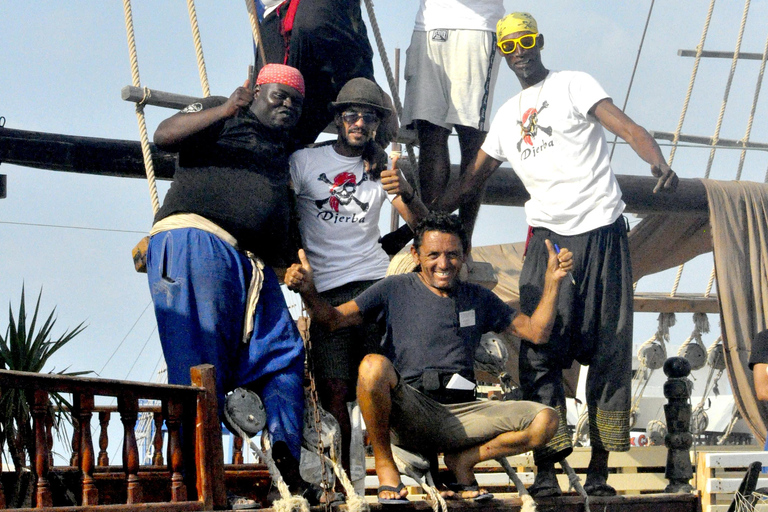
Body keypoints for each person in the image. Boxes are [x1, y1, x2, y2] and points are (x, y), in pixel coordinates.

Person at [444, 12, 679, 497]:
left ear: (540, 42)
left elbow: (629, 128)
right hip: (548, 242)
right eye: (511, 45)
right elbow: (471, 181)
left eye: (527, 41)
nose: (521, 51)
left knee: (611, 352)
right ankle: (549, 469)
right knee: (539, 350)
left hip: (603, 236)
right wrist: (427, 212)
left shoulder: (574, 84)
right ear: (503, 54)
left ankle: (599, 472)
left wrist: (657, 161)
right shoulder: (507, 116)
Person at [285, 212, 573, 502]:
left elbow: (536, 332)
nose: (443, 264)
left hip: (461, 415)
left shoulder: (479, 297)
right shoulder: (393, 289)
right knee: (372, 366)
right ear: (416, 254)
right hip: (410, 409)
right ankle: (385, 466)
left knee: (546, 421)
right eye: (433, 254)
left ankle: (464, 461)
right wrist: (309, 291)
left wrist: (552, 281)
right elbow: (332, 320)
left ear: (464, 254)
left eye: (452, 255)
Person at [147, 64, 322, 505]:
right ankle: (196, 481)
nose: (287, 104)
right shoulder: (221, 115)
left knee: (284, 353)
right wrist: (226, 107)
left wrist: (289, 266)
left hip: (251, 264)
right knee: (200, 364)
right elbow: (164, 136)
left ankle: (284, 454)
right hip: (197, 242)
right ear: (255, 93)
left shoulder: (284, 153)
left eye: (295, 102)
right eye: (278, 95)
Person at [289, 77, 427, 474]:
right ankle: (340, 480)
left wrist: (405, 192)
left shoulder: (386, 166)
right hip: (325, 288)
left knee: (379, 380)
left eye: (369, 117)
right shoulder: (304, 161)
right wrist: (293, 266)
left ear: (377, 125)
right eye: (352, 114)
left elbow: (422, 227)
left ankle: (386, 469)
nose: (360, 123)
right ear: (337, 118)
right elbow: (281, 212)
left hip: (373, 283)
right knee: (333, 389)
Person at [401, 0, 504, 226]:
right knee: (430, 135)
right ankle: (431, 236)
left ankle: (463, 240)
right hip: (428, 24)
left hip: (477, 25)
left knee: (472, 137)